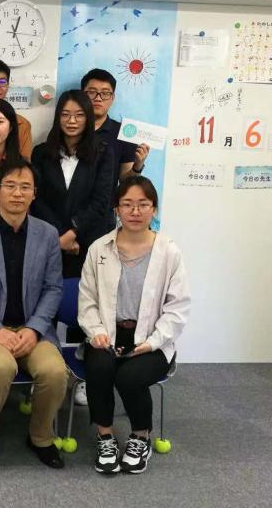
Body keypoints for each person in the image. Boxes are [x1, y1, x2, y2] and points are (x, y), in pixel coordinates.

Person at [0, 159, 68, 473]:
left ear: (34, 194)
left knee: (54, 371)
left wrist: (34, 329)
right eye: (11, 186)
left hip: (33, 329)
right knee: (0, 367)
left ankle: (41, 437)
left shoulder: (47, 234)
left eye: (25, 187)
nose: (18, 193)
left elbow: (53, 288)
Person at [78, 175, 189, 476]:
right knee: (100, 367)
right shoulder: (99, 248)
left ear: (154, 209)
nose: (135, 211)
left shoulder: (169, 251)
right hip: (106, 334)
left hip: (152, 340)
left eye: (143, 204)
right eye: (127, 204)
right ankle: (105, 437)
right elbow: (87, 300)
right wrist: (97, 332)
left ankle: (141, 436)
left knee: (129, 377)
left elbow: (177, 308)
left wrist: (153, 342)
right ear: (117, 209)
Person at [30, 90, 115, 279]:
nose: (72, 121)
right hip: (50, 241)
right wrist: (60, 236)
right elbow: (37, 199)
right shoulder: (41, 153)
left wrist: (73, 233)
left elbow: (101, 201)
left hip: (89, 243)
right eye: (65, 115)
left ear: (88, 118)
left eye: (79, 115)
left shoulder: (102, 153)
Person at [81, 68, 149, 183]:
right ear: (82, 95)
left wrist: (137, 166)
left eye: (105, 93)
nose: (98, 98)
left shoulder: (124, 133)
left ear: (112, 98)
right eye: (92, 92)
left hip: (106, 195)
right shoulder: (71, 128)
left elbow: (125, 180)